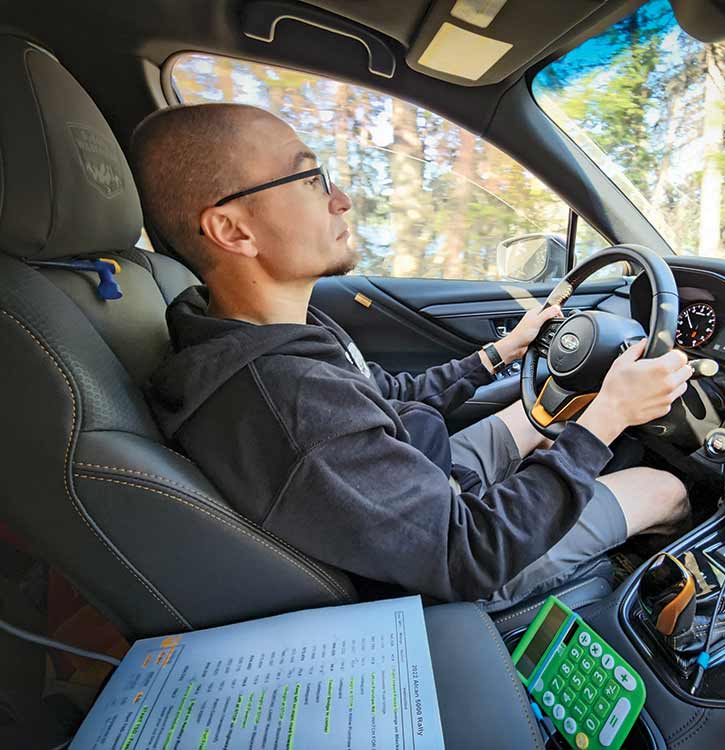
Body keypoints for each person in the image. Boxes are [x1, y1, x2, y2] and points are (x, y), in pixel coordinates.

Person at [133, 102, 692, 609]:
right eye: (309, 178)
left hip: (420, 483)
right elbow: (468, 553)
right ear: (233, 230)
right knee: (665, 489)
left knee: (543, 413)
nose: (340, 198)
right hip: (451, 562)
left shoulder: (260, 330)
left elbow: (378, 396)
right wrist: (609, 417)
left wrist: (499, 352)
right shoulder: (289, 400)